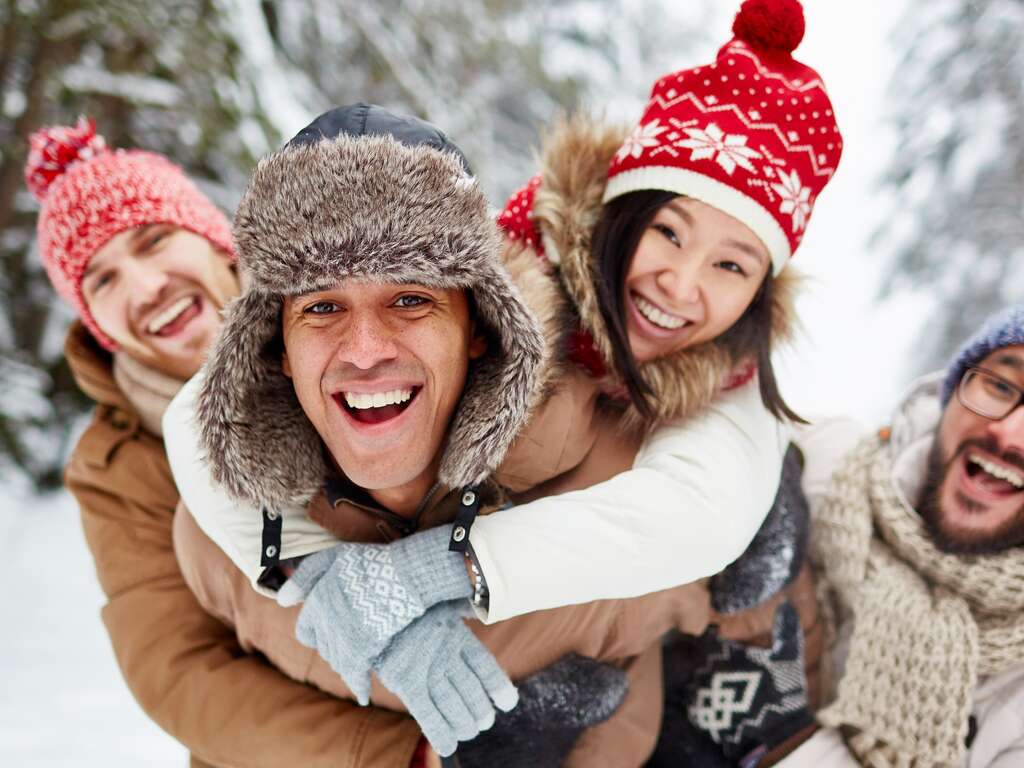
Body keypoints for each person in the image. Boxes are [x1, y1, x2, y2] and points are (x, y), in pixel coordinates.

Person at [24, 118, 428, 767]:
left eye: (154, 241)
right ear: (94, 321)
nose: (143, 286)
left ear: (218, 242)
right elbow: (179, 671)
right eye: (102, 280)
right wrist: (401, 754)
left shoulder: (348, 332)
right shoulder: (116, 467)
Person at [782, 305, 1024, 767]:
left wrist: (784, 742)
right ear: (951, 390)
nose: (1009, 433)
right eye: (1000, 386)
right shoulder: (816, 464)